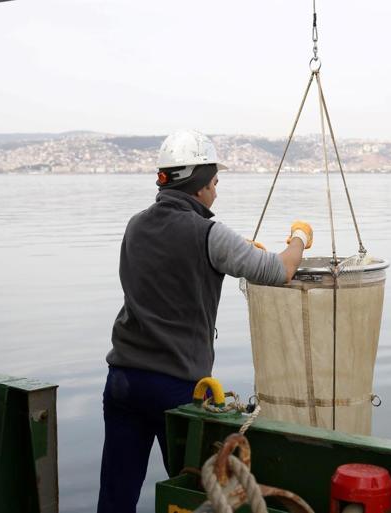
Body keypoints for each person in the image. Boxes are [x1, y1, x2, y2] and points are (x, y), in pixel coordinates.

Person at [97, 129, 312, 513]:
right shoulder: (209, 233)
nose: (216, 192)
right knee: (194, 495)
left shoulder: (135, 226)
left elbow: (166, 268)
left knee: (116, 496)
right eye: (214, 182)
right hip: (176, 387)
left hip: (124, 381)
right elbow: (281, 270)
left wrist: (239, 250)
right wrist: (298, 238)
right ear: (198, 185)